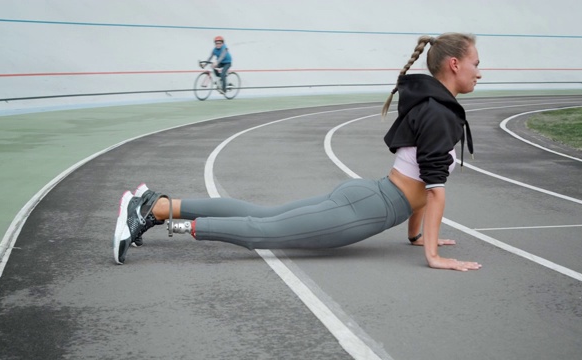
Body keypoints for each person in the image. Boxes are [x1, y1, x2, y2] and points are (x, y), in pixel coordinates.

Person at [114, 32, 482, 271]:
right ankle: (156, 213)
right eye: (475, 64)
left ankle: (158, 203)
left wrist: (417, 237)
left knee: (262, 217)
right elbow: (434, 191)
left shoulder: (431, 103)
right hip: (371, 207)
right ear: (454, 64)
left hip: (369, 195)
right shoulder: (440, 112)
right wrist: (433, 256)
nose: (478, 73)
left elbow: (422, 176)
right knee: (262, 233)